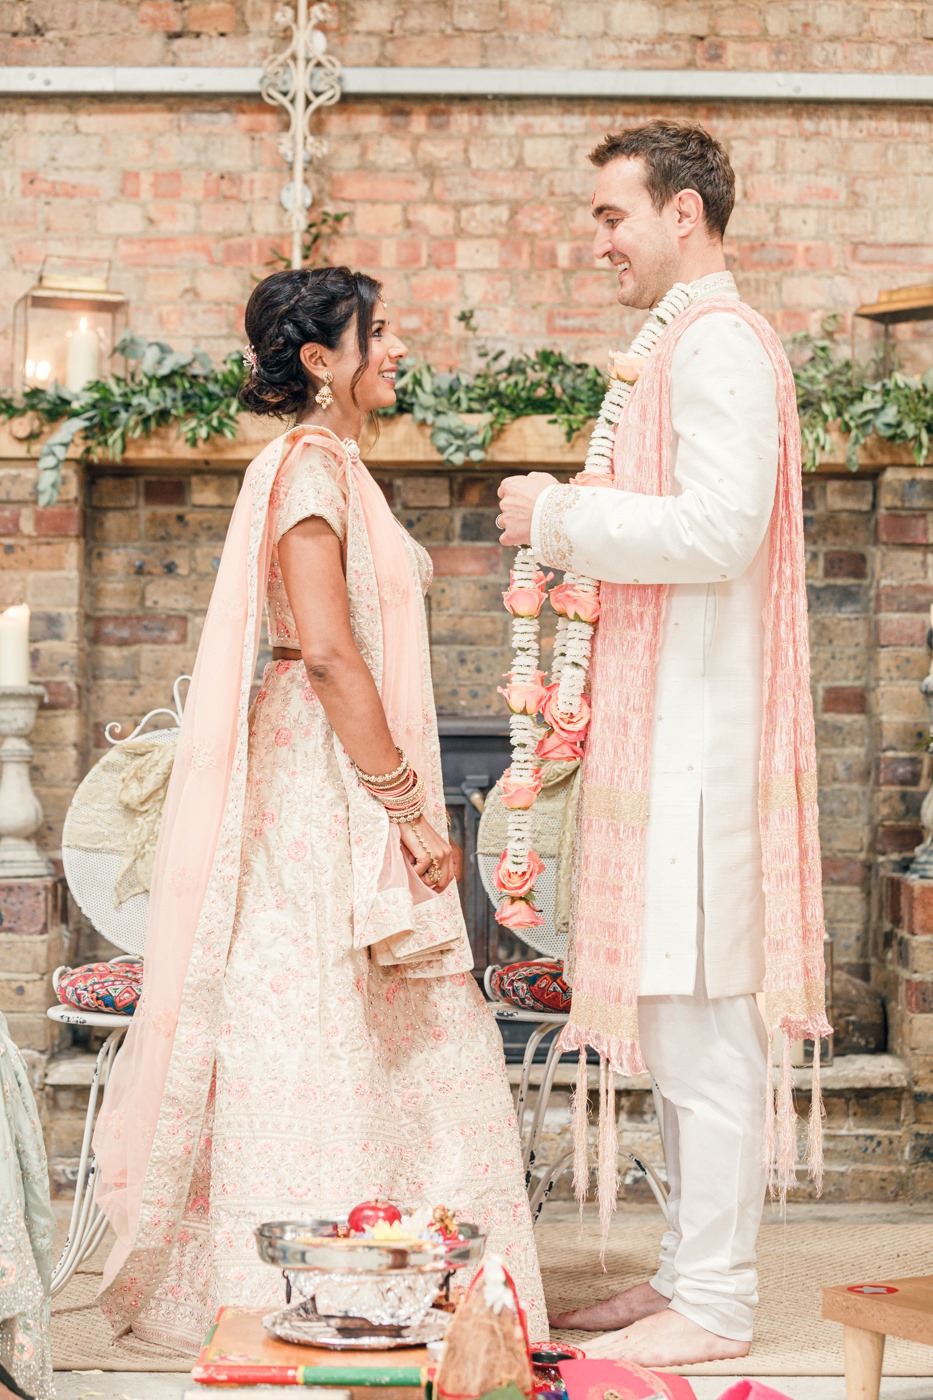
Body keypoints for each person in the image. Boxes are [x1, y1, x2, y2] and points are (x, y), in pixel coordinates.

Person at [92, 265, 547, 1350]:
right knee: (318, 1011)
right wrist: (412, 810)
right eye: (374, 334)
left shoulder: (338, 467)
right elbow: (332, 657)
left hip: (333, 760)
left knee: (372, 1016)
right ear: (320, 360)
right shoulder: (305, 470)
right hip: (318, 775)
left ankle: (404, 1269)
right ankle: (308, 1275)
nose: (394, 350)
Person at [496, 121, 830, 1366]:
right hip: (672, 737)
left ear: (683, 212)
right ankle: (688, 1270)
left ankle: (723, 1300)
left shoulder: (720, 342)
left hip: (702, 746)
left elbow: (719, 531)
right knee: (680, 1023)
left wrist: (560, 516)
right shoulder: (681, 344)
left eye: (611, 214)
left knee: (702, 1031)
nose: (597, 241)